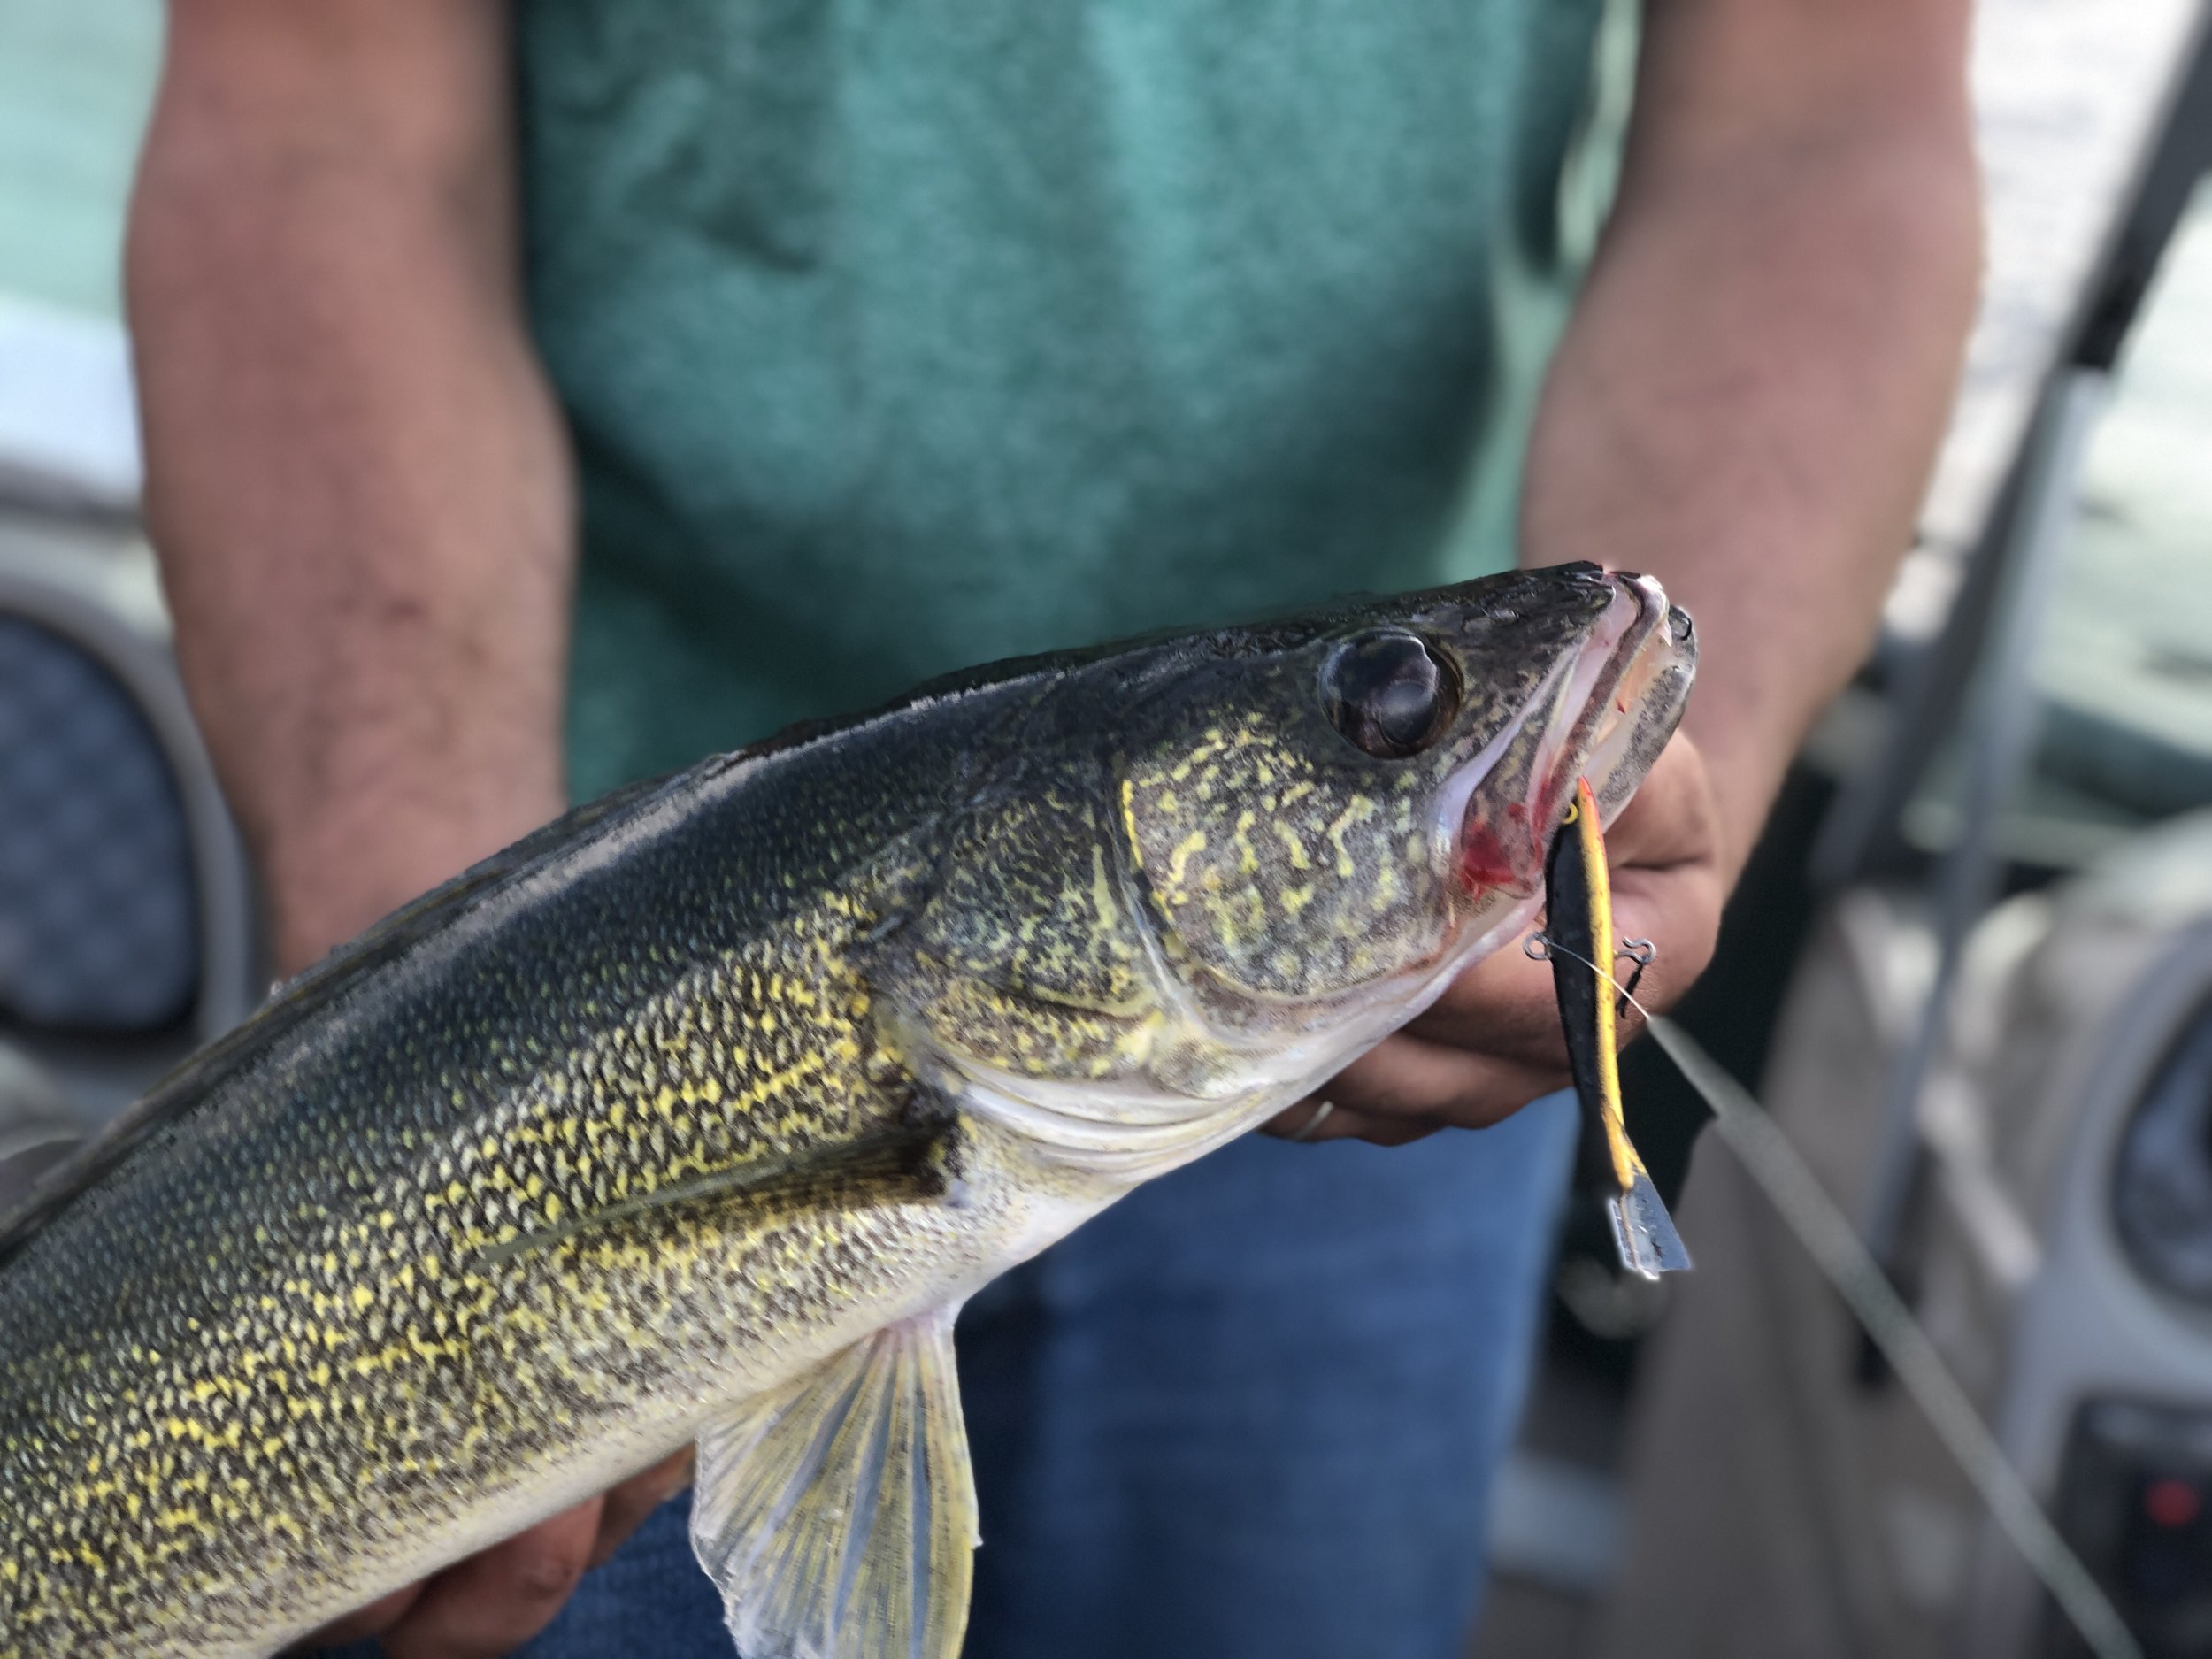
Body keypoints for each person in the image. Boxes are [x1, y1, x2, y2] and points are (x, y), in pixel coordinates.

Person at [126, 1, 1978, 1654]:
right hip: (512, 850)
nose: (1420, 709)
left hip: (1371, 1104)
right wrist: (422, 1061)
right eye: (1385, 703)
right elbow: (319, 117)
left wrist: (1649, 791)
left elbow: (1817, 110)